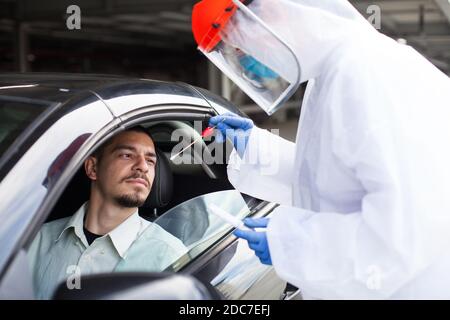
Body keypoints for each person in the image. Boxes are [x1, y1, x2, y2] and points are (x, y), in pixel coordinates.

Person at [192, 0, 450, 299]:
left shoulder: (365, 71)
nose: (247, 59)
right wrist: (257, 148)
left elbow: (407, 227)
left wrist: (292, 244)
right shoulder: (335, 71)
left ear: (273, 11)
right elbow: (334, 180)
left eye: (239, 47)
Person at [28, 126, 187, 299]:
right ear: (93, 168)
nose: (143, 166)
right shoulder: (36, 240)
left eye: (150, 161)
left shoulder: (169, 255)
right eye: (127, 155)